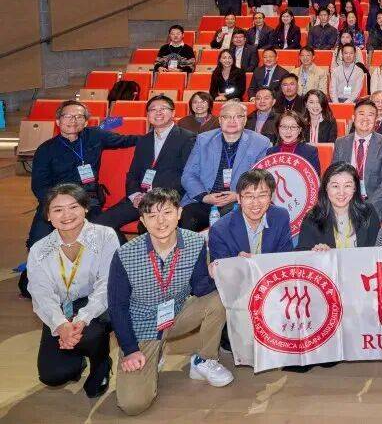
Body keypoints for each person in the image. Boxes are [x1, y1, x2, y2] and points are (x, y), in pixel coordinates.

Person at [108, 188, 233, 416]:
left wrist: (216, 276)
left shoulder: (195, 242)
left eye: (167, 212)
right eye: (152, 215)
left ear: (179, 213)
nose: (161, 221)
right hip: (142, 326)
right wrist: (130, 349)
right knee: (132, 404)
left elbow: (199, 288)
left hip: (177, 314)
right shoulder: (125, 254)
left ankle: (204, 360)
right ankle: (152, 354)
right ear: (142, 220)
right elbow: (117, 308)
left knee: (219, 298)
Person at [28, 184, 118, 398]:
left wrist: (82, 319)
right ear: (48, 216)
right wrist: (61, 325)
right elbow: (42, 294)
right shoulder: (39, 250)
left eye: (74, 207)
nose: (67, 215)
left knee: (92, 333)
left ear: (85, 208)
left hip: (99, 304)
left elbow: (107, 284)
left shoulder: (105, 236)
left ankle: (101, 362)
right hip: (62, 308)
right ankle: (76, 351)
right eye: (58, 209)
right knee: (53, 375)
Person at [28, 101, 137, 247]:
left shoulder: (95, 135)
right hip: (56, 199)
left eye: (79, 116)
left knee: (110, 238)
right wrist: (59, 203)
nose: (73, 120)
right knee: (37, 242)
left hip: (87, 198)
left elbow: (126, 140)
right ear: (58, 121)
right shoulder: (45, 150)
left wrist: (158, 136)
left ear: (85, 122)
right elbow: (39, 187)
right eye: (68, 116)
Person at [96, 96, 196, 235]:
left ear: (173, 113)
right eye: (153, 109)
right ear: (148, 115)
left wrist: (157, 197)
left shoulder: (187, 138)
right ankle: (125, 249)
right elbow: (133, 173)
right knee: (99, 225)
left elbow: (187, 176)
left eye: (163, 109)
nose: (158, 112)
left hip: (167, 200)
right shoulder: (144, 140)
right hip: (140, 198)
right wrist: (135, 195)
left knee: (147, 229)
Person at [179, 100, 273, 231]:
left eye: (238, 116)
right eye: (226, 116)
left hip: (238, 200)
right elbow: (189, 175)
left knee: (230, 222)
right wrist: (205, 197)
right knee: (187, 219)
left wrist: (238, 195)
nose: (232, 121)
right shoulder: (204, 140)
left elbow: (261, 179)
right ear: (220, 120)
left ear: (245, 120)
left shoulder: (260, 143)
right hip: (204, 198)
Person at [329, 99, 382, 222]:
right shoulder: (341, 143)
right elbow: (333, 175)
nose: (365, 118)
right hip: (345, 201)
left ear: (376, 120)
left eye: (370, 115)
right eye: (361, 114)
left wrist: (367, 207)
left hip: (375, 204)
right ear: (353, 118)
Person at [208, 169, 293, 261]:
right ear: (239, 198)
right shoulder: (220, 230)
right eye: (249, 196)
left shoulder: (281, 216)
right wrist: (235, 263)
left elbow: (286, 260)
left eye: (262, 195)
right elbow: (220, 268)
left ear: (270, 197)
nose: (256, 203)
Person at [299, 161, 381, 252]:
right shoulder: (312, 218)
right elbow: (301, 254)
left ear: (355, 188)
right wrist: (315, 252)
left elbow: (378, 251)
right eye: (335, 186)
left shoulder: (368, 212)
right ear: (326, 188)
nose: (341, 192)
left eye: (347, 186)